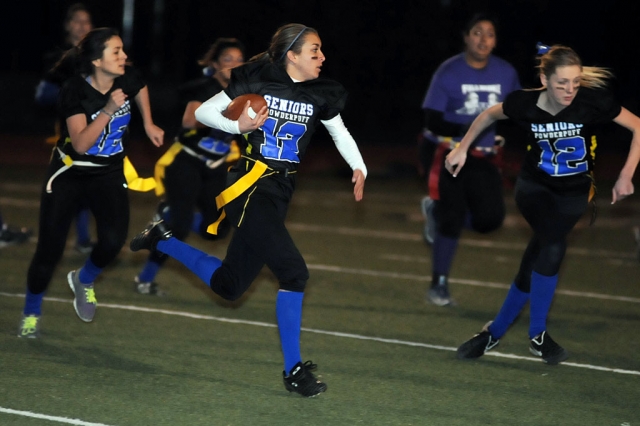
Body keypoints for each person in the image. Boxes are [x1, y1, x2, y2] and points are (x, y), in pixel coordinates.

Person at [129, 23, 367, 397]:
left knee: (230, 285)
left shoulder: (322, 91)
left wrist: (359, 165)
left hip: (281, 190)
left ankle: (162, 239)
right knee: (294, 273)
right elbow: (207, 113)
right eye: (314, 51)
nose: (322, 57)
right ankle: (294, 371)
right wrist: (236, 124)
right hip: (249, 183)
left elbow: (339, 132)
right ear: (291, 55)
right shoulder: (258, 77)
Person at [451, 43, 640, 364]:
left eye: (576, 82)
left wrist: (626, 174)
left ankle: (494, 332)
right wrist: (462, 148)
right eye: (561, 83)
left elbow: (638, 125)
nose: (570, 90)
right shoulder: (524, 103)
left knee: (537, 255)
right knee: (552, 245)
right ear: (544, 78)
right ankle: (537, 335)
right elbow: (487, 115)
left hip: (575, 193)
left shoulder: (593, 102)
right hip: (534, 188)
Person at [18, 27, 164, 338]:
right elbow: (81, 144)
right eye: (116, 52)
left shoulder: (126, 75)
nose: (124, 56)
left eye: (122, 50)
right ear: (97, 61)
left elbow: (140, 87)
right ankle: (31, 310)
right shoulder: (74, 90)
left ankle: (83, 279)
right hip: (71, 172)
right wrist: (108, 110)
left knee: (113, 242)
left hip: (108, 172)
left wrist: (149, 122)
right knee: (49, 250)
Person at [419, 13, 521, 306]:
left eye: (489, 34)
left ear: (495, 40)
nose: (483, 39)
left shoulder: (505, 72)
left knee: (490, 220)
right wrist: (472, 129)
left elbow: (518, 113)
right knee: (453, 214)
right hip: (447, 151)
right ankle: (439, 284)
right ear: (466, 36)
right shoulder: (449, 71)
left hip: (483, 156)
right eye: (477, 32)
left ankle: (435, 216)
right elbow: (432, 120)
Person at [133, 38, 245, 295]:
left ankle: (166, 218)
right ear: (215, 64)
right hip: (187, 161)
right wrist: (225, 114)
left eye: (239, 59)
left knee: (216, 229)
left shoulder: (245, 90)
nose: (235, 64)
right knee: (179, 229)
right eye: (228, 59)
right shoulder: (205, 87)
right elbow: (189, 120)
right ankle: (145, 278)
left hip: (216, 165)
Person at [36, 3, 95, 254]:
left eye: (86, 21)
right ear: (68, 26)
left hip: (99, 132)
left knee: (90, 188)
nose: (82, 26)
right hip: (71, 136)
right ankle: (64, 241)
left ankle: (82, 239)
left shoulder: (99, 55)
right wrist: (70, 94)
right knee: (65, 190)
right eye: (77, 21)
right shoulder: (58, 59)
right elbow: (42, 96)